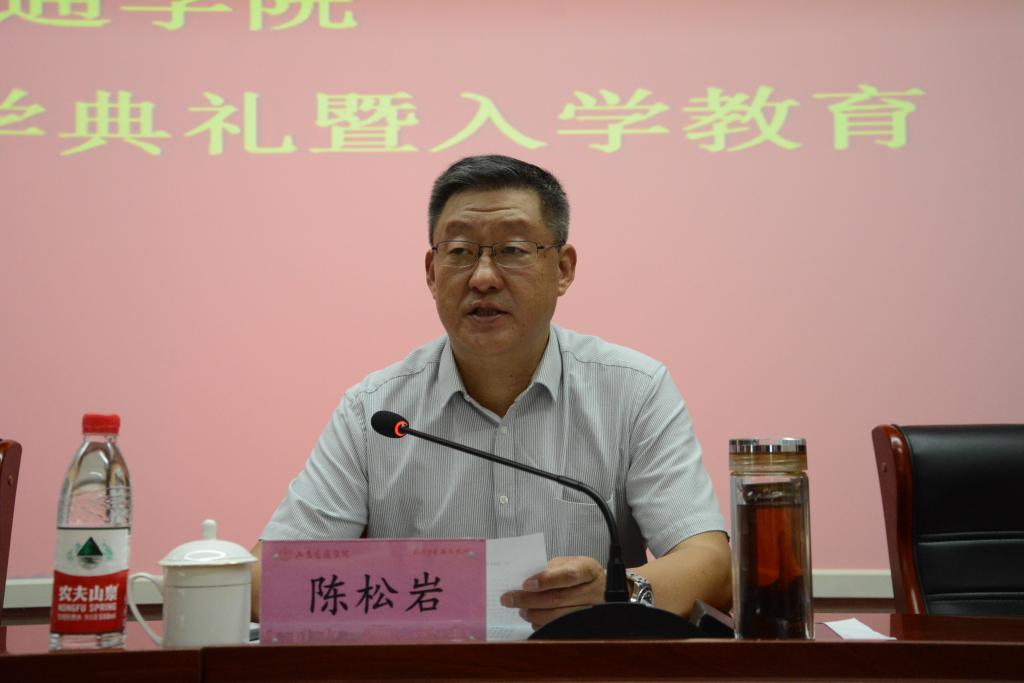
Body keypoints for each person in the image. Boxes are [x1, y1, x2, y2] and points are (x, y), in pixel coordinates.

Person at [252, 155, 731, 628]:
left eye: (513, 250)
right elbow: (263, 583)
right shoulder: (375, 412)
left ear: (563, 269)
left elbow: (712, 564)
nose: (482, 277)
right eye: (460, 251)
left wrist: (616, 593)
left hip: (583, 669)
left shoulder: (633, 390)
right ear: (431, 271)